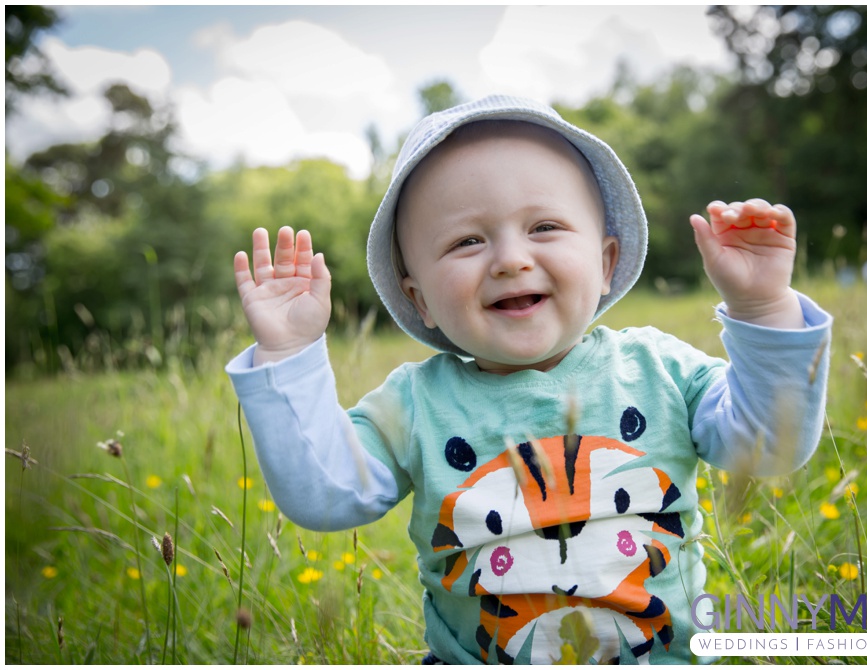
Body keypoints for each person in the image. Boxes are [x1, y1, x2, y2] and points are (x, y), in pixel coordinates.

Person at [226, 95, 832, 664]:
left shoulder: (659, 371)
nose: (511, 258)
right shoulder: (414, 407)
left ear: (604, 263)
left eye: (544, 227)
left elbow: (769, 446)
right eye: (467, 240)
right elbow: (326, 493)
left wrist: (761, 312)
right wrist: (288, 352)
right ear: (420, 301)